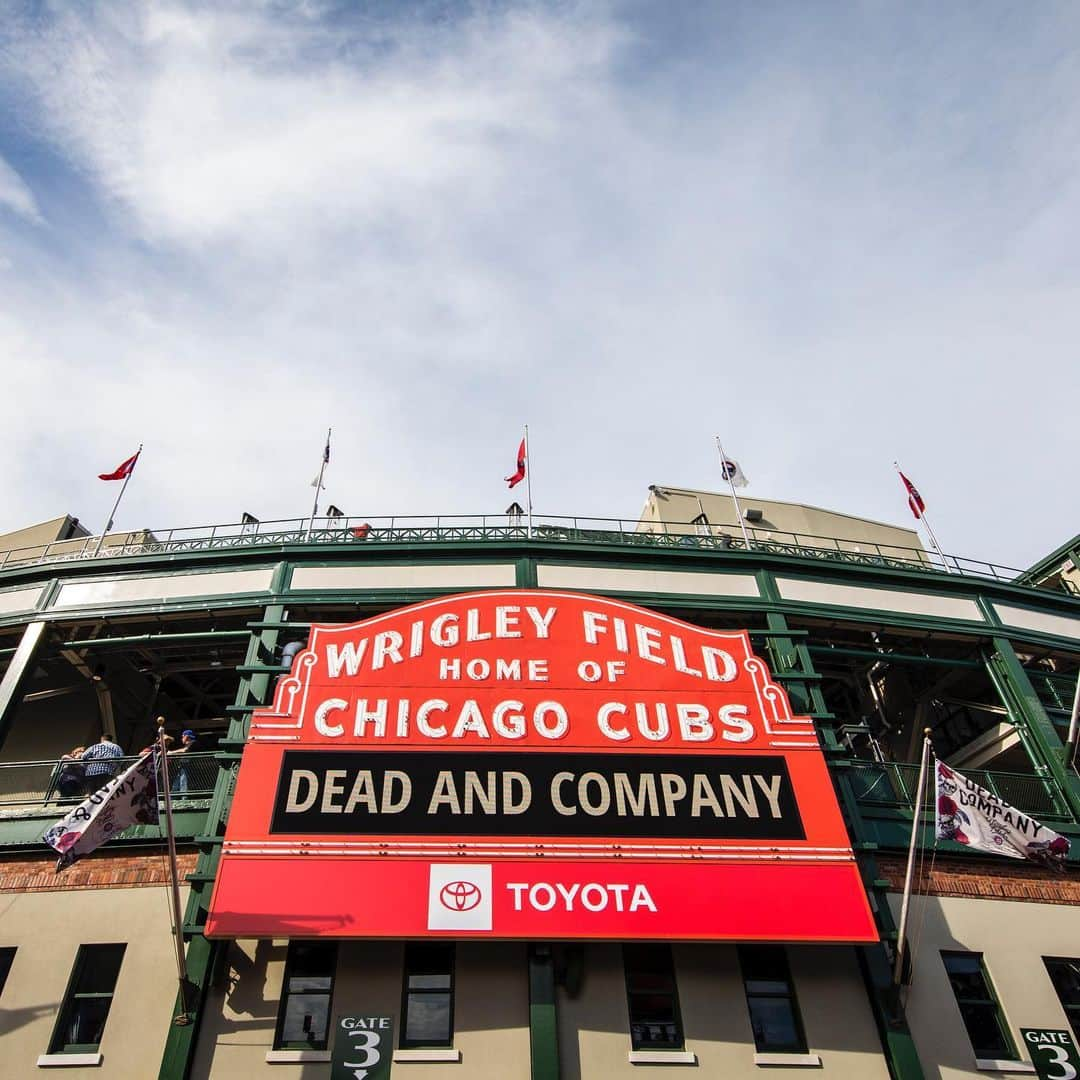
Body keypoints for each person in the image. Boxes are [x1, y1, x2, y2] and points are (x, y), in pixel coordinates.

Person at [170, 729, 198, 795]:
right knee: (177, 782)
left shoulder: (192, 742)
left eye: (183, 736)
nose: (182, 738)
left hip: (187, 765)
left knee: (183, 782)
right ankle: (173, 797)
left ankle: (183, 799)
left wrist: (171, 752)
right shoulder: (188, 744)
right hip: (183, 765)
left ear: (186, 736)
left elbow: (184, 750)